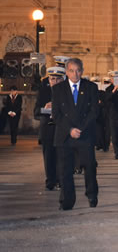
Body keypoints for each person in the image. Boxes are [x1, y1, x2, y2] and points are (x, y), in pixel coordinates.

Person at [52, 58, 99, 210]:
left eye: (78, 70)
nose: (75, 74)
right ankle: (66, 201)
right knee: (65, 170)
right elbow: (56, 114)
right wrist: (70, 130)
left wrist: (81, 129)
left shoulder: (91, 87)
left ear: (82, 71)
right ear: (66, 72)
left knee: (90, 166)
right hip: (65, 135)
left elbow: (94, 112)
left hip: (84, 134)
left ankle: (92, 194)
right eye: (71, 70)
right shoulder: (58, 90)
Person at [34, 66, 65, 190]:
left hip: (62, 129)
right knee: (48, 157)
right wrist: (45, 108)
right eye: (52, 79)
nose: (55, 82)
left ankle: (60, 180)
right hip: (47, 129)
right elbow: (35, 112)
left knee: (61, 157)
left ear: (63, 80)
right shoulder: (43, 92)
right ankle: (50, 181)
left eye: (58, 80)